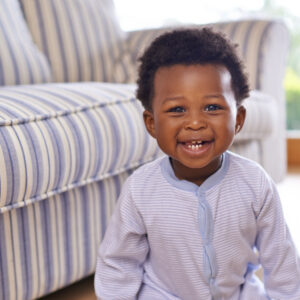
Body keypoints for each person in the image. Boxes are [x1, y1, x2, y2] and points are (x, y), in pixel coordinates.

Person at [94, 28, 300, 299]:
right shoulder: (140, 190)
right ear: (152, 123)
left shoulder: (255, 183)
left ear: (238, 119)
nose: (195, 122)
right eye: (177, 109)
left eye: (212, 107)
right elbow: (118, 263)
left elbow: (281, 259)